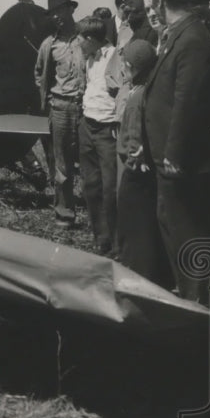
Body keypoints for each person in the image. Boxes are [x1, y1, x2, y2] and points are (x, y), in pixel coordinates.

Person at [140, 0, 210, 305]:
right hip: (169, 158)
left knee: (188, 238)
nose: (150, 6)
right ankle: (192, 302)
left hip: (180, 164)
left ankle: (199, 311)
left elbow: (187, 100)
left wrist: (174, 154)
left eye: (151, 1)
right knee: (176, 233)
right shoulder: (180, 34)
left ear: (161, 1)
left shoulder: (190, 38)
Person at [114, 40, 172, 287]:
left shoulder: (137, 96)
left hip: (134, 171)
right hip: (144, 170)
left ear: (132, 68)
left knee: (134, 224)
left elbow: (136, 135)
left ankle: (139, 276)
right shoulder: (149, 90)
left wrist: (133, 159)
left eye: (124, 65)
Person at [34, 0, 84, 226]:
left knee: (91, 162)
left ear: (71, 9)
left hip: (87, 109)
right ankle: (65, 213)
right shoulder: (48, 45)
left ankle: (100, 215)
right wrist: (51, 100)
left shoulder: (87, 39)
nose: (56, 16)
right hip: (61, 108)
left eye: (60, 10)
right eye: (52, 13)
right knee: (61, 166)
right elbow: (39, 73)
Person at [76, 16, 118, 256]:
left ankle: (116, 242)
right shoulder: (89, 58)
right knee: (90, 185)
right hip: (88, 125)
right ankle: (101, 239)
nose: (78, 43)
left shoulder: (115, 56)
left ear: (91, 39)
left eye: (81, 38)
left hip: (107, 129)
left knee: (110, 187)